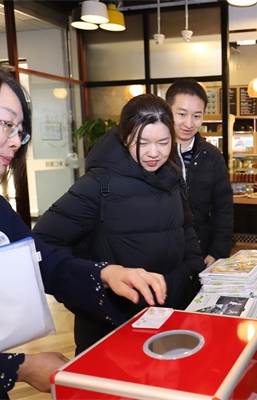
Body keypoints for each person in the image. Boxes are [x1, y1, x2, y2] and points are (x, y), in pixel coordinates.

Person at [0, 57, 168, 399]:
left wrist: (108, 273)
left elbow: (46, 264)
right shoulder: (98, 184)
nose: (16, 141)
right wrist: (18, 367)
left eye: (20, 130)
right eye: (7, 124)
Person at [33, 93, 205, 354]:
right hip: (113, 323)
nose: (154, 153)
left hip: (170, 312)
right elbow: (43, 243)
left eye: (163, 142)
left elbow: (186, 227)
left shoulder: (172, 176)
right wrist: (98, 278)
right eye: (142, 143)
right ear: (124, 138)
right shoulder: (97, 184)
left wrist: (193, 272)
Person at [165, 79, 234, 269]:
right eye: (181, 114)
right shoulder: (155, 153)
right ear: (167, 112)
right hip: (162, 254)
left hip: (202, 251)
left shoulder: (212, 156)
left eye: (196, 116)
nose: (189, 123)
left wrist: (218, 251)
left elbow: (223, 208)